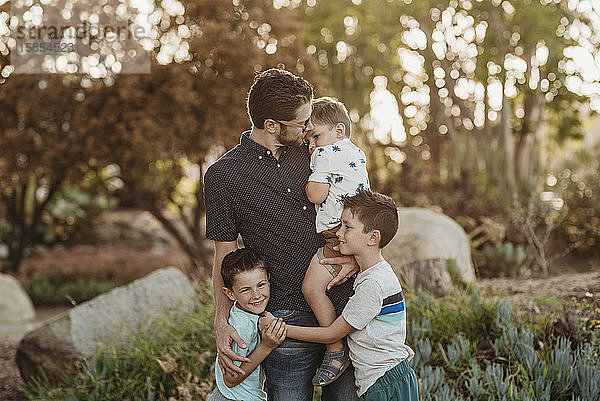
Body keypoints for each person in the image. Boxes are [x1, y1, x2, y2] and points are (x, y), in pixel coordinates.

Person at [203, 68, 359, 401]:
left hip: (344, 305)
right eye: (302, 123)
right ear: (272, 126)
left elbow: (361, 205)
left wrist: (355, 258)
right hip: (283, 321)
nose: (308, 128)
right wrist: (221, 320)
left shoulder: (316, 150)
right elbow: (224, 256)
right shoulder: (223, 176)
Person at [264, 190, 419, 401]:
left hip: (384, 382)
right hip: (382, 379)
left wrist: (281, 328)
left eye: (347, 227)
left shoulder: (372, 285)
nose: (338, 233)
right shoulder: (374, 273)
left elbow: (332, 334)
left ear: (373, 237)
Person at [301, 97, 370, 386]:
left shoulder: (325, 153)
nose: (311, 144)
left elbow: (315, 195)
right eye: (308, 139)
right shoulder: (357, 153)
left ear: (339, 130)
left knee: (311, 287)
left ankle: (334, 349)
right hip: (361, 230)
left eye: (315, 135)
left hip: (336, 234)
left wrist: (310, 180)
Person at [208, 248, 286, 401]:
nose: (256, 295)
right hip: (234, 397)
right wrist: (266, 346)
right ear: (230, 293)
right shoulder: (241, 327)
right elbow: (230, 379)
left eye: (261, 285)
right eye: (245, 290)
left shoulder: (247, 313)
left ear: (269, 279)